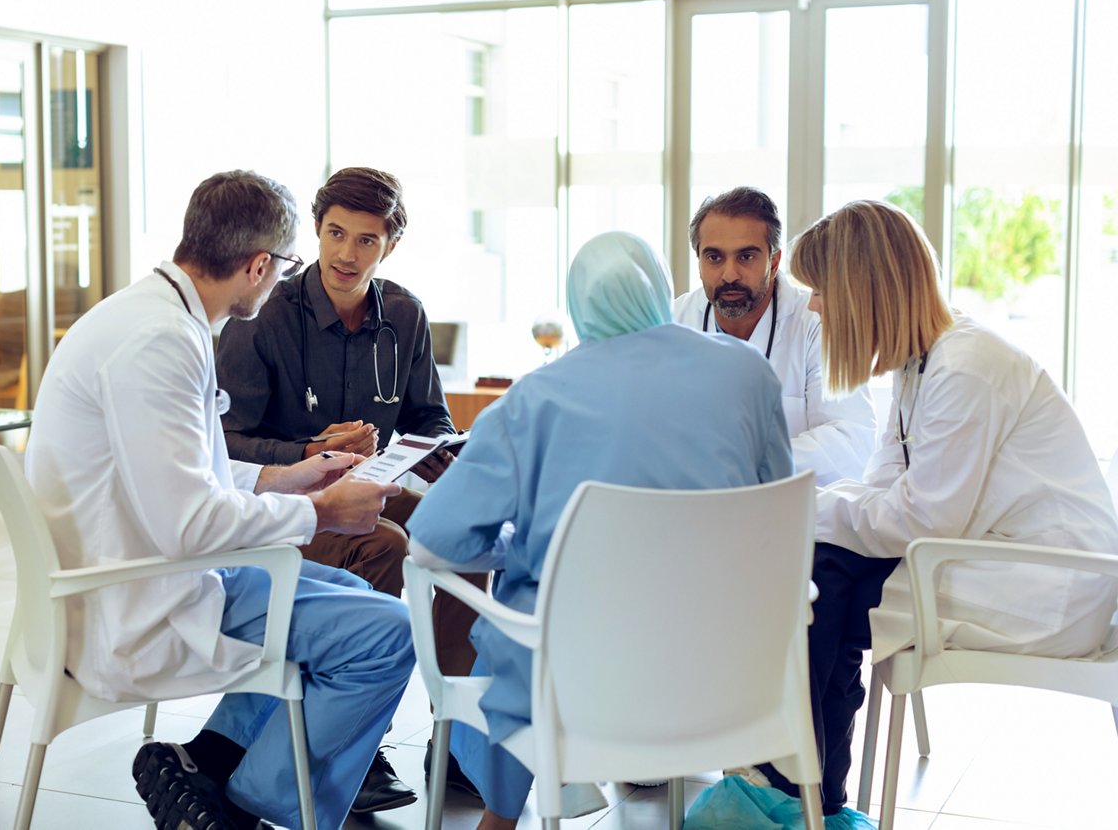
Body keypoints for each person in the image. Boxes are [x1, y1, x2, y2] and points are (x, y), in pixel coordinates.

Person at [25, 170, 416, 830]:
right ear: (259, 264)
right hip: (135, 599)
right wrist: (323, 512)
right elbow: (190, 525)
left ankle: (207, 767)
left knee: (369, 601)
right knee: (387, 635)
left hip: (132, 571)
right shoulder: (161, 343)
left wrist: (288, 478)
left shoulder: (150, 315)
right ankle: (249, 807)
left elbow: (177, 477)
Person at [740, 200, 1118, 825]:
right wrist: (808, 515)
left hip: (1051, 587)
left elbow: (921, 520)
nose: (814, 307)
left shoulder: (968, 368)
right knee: (818, 579)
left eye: (823, 291)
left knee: (819, 584)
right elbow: (882, 486)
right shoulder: (921, 365)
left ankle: (793, 791)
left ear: (863, 289)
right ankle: (807, 795)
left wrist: (798, 515)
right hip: (992, 557)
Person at [407, 231, 794, 829]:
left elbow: (431, 540)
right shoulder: (748, 374)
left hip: (578, 686)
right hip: (732, 677)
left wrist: (523, 548)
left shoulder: (534, 399)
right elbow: (775, 512)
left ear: (577, 302)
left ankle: (501, 816)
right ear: (664, 291)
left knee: (522, 625)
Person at [215, 166, 487, 810]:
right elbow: (224, 443)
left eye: (366, 240)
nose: (346, 253)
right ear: (315, 230)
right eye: (336, 233)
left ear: (389, 245)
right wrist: (309, 452)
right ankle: (359, 750)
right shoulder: (263, 317)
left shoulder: (404, 315)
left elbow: (428, 420)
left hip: (375, 492)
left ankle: (460, 743)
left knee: (467, 538)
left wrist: (442, 455)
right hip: (287, 513)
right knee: (386, 545)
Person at [674, 187, 875, 486]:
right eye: (714, 257)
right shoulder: (673, 321)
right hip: (687, 506)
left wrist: (751, 465)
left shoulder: (816, 322)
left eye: (746, 256)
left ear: (774, 260)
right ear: (699, 262)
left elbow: (852, 438)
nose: (729, 274)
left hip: (787, 511)